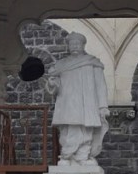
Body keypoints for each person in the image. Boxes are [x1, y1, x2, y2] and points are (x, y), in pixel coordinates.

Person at [45, 32, 110, 165]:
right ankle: (66, 156)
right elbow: (54, 87)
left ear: (83, 45)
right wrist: (52, 84)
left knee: (86, 130)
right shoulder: (61, 65)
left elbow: (100, 86)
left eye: (77, 44)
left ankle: (82, 157)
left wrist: (103, 106)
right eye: (72, 44)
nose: (74, 46)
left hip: (87, 104)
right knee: (68, 130)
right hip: (68, 103)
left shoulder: (92, 63)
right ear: (68, 46)